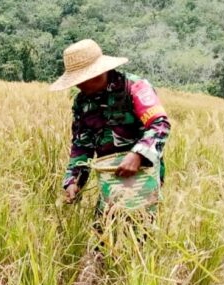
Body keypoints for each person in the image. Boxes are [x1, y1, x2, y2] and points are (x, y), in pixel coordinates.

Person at [50, 39, 171, 214]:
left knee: (140, 232)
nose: (78, 85)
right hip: (110, 178)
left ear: (98, 73)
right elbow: (81, 145)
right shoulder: (82, 102)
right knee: (103, 235)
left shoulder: (134, 87)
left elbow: (160, 125)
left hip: (143, 176)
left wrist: (138, 154)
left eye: (81, 79)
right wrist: (73, 180)